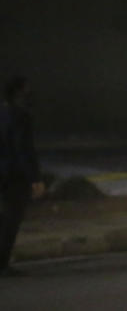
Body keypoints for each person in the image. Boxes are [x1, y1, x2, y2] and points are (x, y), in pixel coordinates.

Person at [1, 75, 45, 276]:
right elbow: (23, 149)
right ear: (19, 91)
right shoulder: (21, 116)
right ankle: (2, 264)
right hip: (13, 176)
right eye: (27, 89)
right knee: (10, 221)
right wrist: (35, 178)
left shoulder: (3, 113)